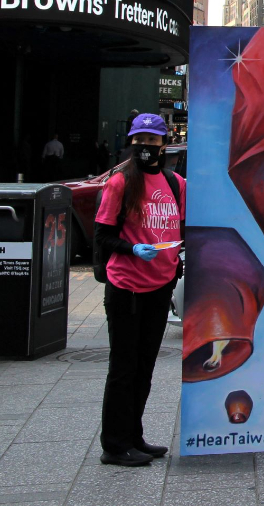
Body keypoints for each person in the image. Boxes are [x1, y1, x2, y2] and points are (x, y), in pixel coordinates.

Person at [95, 113, 184, 467]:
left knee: (145, 365)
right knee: (123, 367)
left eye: (152, 141)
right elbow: (101, 235)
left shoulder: (176, 184)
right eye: (139, 141)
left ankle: (135, 437)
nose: (145, 147)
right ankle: (114, 445)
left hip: (160, 287)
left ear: (164, 144)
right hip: (127, 288)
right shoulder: (120, 182)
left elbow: (183, 228)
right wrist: (131, 248)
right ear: (132, 143)